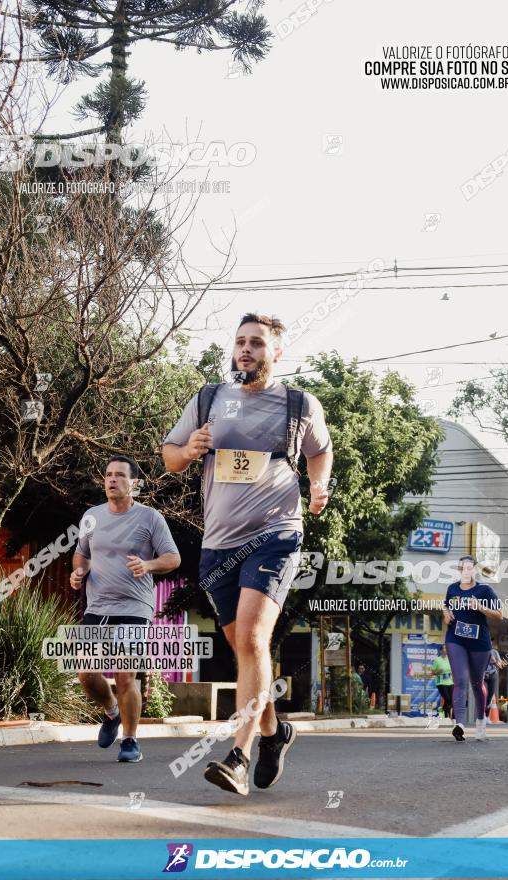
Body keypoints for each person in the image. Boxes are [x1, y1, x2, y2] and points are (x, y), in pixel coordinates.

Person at [162, 313, 333, 796]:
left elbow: (320, 451)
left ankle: (237, 753)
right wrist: (189, 449)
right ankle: (275, 733)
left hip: (276, 535)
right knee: (244, 648)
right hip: (219, 545)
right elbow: (169, 456)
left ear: (275, 352)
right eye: (240, 342)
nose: (245, 349)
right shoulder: (210, 399)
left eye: (256, 343)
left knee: (255, 639)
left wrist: (318, 484)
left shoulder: (299, 404)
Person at [70, 456, 181, 763]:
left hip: (134, 607)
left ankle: (130, 740)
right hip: (98, 607)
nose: (112, 479)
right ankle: (111, 712)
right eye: (108, 475)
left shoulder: (150, 518)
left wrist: (148, 564)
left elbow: (173, 558)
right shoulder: (92, 517)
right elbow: (82, 556)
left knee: (124, 675)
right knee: (85, 673)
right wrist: (79, 573)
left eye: (119, 475)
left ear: (134, 483)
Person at [442, 556, 503, 742]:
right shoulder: (452, 589)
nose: (465, 571)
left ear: (474, 570)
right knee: (460, 680)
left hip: (479, 642)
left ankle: (481, 720)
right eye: (462, 568)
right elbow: (445, 605)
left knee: (477, 684)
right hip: (456, 638)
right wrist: (445, 613)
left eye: (469, 568)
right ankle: (458, 724)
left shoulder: (484, 590)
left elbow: (499, 615)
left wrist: (480, 607)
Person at [431, 645, 453, 720]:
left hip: (450, 682)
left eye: (447, 648)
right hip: (441, 682)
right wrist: (438, 671)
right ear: (441, 651)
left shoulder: (450, 659)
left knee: (451, 700)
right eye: (444, 648)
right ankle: (445, 714)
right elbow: (433, 672)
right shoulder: (437, 660)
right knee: (447, 698)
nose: (446, 649)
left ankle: (444, 713)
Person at [484, 647, 502, 722]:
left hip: (492, 675)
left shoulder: (494, 652)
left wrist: (495, 661)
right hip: (483, 675)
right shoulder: (481, 651)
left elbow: (500, 665)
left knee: (490, 696)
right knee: (481, 695)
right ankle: (482, 716)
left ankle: (487, 716)